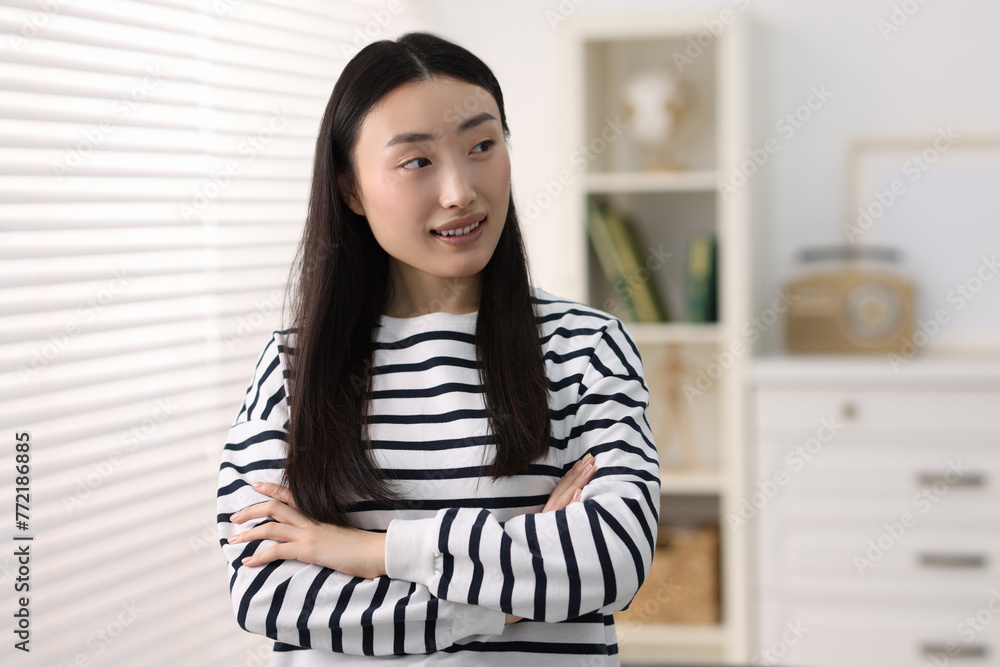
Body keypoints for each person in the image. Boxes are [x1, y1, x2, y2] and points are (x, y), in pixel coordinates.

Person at [217, 31, 660, 666]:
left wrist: (368, 550)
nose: (460, 191)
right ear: (350, 189)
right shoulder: (295, 369)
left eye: (483, 146)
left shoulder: (585, 349)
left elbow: (612, 560)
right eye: (417, 161)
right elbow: (269, 593)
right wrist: (507, 592)